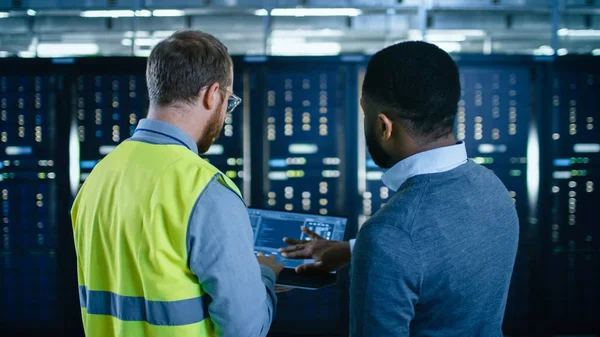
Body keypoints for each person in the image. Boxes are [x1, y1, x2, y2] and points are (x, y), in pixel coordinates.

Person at [281, 41, 519, 336]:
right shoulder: (493, 188)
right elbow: (442, 246)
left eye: (365, 114)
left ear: (384, 126)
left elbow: (405, 242)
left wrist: (372, 248)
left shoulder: (390, 233)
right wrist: (355, 250)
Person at [71, 30, 283, 337]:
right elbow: (246, 329)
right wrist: (263, 276)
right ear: (212, 95)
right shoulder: (205, 189)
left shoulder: (99, 177)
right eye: (228, 101)